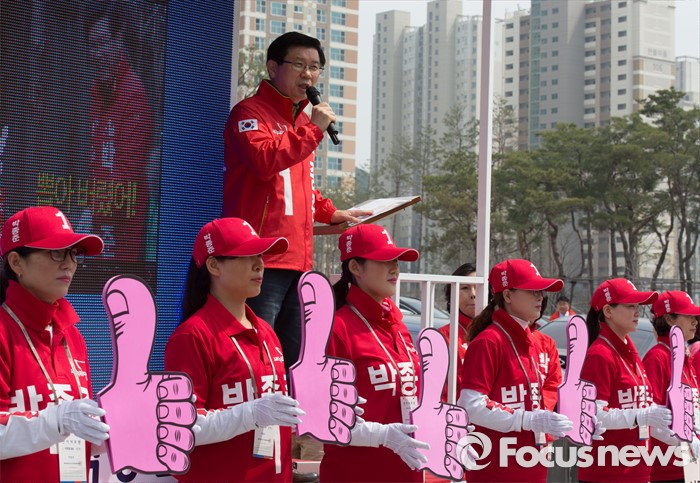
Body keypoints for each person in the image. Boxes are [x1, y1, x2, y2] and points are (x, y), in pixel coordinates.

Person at [222, 31, 370, 372]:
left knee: (292, 358)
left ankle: (287, 410)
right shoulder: (249, 113)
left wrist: (331, 213)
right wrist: (313, 131)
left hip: (298, 260)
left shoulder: (303, 122)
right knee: (258, 355)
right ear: (273, 67)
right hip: (260, 259)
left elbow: (301, 186)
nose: (308, 74)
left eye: (315, 67)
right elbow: (264, 162)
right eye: (299, 65)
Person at [164, 217, 305, 482]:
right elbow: (182, 428)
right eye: (247, 255)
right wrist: (249, 414)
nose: (260, 264)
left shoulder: (266, 332)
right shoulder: (192, 336)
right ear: (214, 265)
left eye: (260, 255)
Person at [0, 206, 110, 480]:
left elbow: (77, 435)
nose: (69, 264)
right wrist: (57, 421)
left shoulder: (72, 335)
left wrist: (109, 431)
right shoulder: (3, 331)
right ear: (16, 262)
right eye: (57, 252)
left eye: (74, 253)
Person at [321, 223, 429, 482]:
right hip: (357, 473)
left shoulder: (397, 325)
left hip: (407, 470)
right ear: (355, 267)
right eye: (384, 260)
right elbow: (324, 416)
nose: (395, 268)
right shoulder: (336, 329)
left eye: (396, 261)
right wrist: (382, 436)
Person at [458, 259, 573, 483]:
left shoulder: (537, 342)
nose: (540, 297)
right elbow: (471, 405)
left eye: (541, 291)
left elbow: (548, 394)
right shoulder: (489, 342)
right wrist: (528, 420)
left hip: (532, 462)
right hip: (496, 469)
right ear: (508, 295)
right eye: (532, 291)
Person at [579, 278, 672, 483]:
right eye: (630, 306)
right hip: (607, 473)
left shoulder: (630, 351)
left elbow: (643, 409)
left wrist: (683, 439)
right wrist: (640, 416)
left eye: (638, 306)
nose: (637, 312)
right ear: (608, 311)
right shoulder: (600, 355)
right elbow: (593, 415)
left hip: (636, 469)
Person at [86, 1, 155, 262]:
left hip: (124, 226)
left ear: (119, 41)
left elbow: (128, 176)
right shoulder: (96, 91)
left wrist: (90, 211)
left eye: (103, 43)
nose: (97, 53)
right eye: (92, 46)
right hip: (99, 220)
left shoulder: (134, 95)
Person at [643, 290, 700, 482]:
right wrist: (686, 441)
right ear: (669, 319)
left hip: (691, 465)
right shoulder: (657, 358)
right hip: (667, 468)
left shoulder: (683, 357)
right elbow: (651, 418)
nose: (695, 321)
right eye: (688, 316)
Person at [438, 262, 476, 403]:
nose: (473, 294)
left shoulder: (498, 334)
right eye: (465, 288)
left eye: (478, 287)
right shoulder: (443, 337)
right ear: (452, 294)